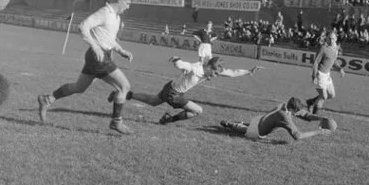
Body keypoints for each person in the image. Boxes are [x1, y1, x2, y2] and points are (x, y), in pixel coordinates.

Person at [37, 0, 135, 134]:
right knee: (124, 86)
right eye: (127, 3)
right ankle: (116, 122)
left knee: (79, 88)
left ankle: (47, 99)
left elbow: (109, 38)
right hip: (98, 56)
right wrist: (95, 47)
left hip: (100, 55)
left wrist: (121, 50)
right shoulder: (104, 12)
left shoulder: (116, 17)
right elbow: (83, 26)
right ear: (120, 0)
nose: (128, 7)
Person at [107, 56, 262, 125]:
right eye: (214, 73)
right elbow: (183, 65)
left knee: (154, 101)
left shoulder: (209, 70)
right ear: (209, 67)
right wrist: (177, 60)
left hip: (171, 87)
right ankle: (169, 119)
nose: (215, 76)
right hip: (174, 94)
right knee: (198, 111)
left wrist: (249, 71)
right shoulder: (195, 68)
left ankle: (125, 94)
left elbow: (232, 73)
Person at [220, 97, 333, 141]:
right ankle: (231, 125)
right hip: (258, 131)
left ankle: (237, 123)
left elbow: (306, 116)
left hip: (260, 120)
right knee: (243, 130)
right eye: (297, 112)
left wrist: (321, 118)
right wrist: (318, 132)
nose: (299, 113)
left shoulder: (285, 105)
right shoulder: (284, 116)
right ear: (293, 110)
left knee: (248, 126)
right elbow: (298, 136)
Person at [305, 30, 345, 115]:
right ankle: (314, 115)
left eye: (333, 39)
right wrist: (314, 76)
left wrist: (340, 69)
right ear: (326, 39)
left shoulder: (336, 49)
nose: (331, 40)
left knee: (331, 95)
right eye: (329, 38)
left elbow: (333, 61)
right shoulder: (323, 48)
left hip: (327, 75)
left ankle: (311, 102)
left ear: (336, 39)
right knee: (324, 96)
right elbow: (316, 62)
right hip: (320, 74)